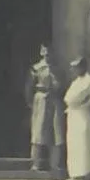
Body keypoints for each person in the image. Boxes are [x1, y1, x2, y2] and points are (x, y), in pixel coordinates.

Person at [25, 44, 65, 173]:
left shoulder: (58, 69)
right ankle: (35, 164)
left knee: (56, 132)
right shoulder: (36, 68)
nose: (47, 54)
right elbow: (28, 88)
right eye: (45, 51)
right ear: (41, 52)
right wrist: (31, 102)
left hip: (54, 100)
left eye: (50, 52)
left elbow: (63, 85)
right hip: (41, 99)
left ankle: (55, 164)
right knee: (38, 132)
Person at [64, 58, 90, 180]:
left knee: (83, 142)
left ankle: (84, 173)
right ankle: (75, 173)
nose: (74, 70)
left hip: (82, 113)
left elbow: (77, 97)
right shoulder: (76, 82)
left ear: (83, 67)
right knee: (74, 143)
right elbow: (67, 97)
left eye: (76, 67)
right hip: (73, 114)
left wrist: (73, 101)